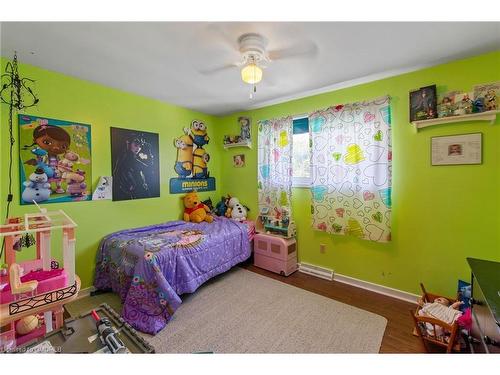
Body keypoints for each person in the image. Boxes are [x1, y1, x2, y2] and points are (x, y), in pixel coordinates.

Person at [113, 135, 154, 200]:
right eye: (135, 145)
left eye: (140, 146)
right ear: (128, 143)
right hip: (130, 193)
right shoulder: (127, 157)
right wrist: (130, 186)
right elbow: (148, 168)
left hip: (133, 192)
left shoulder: (130, 156)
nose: (138, 148)